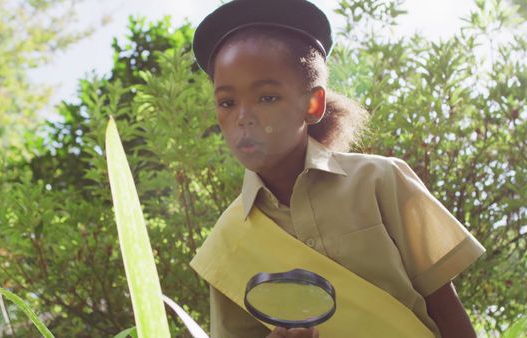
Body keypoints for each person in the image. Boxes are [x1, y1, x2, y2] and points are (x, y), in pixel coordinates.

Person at [189, 0, 486, 338]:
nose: (243, 117)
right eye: (227, 102)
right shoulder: (227, 244)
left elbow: (447, 310)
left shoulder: (381, 182)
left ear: (312, 104)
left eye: (267, 97)